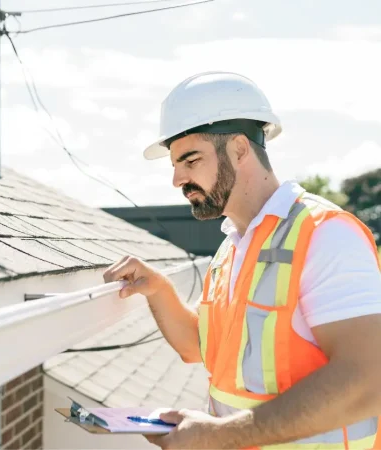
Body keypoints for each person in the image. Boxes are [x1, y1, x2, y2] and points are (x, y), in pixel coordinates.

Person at [103, 72, 381, 449]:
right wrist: (158, 290)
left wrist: (217, 436)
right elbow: (199, 348)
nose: (177, 179)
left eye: (190, 159)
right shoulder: (232, 248)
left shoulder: (326, 235)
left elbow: (368, 381)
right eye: (174, 164)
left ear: (238, 149)